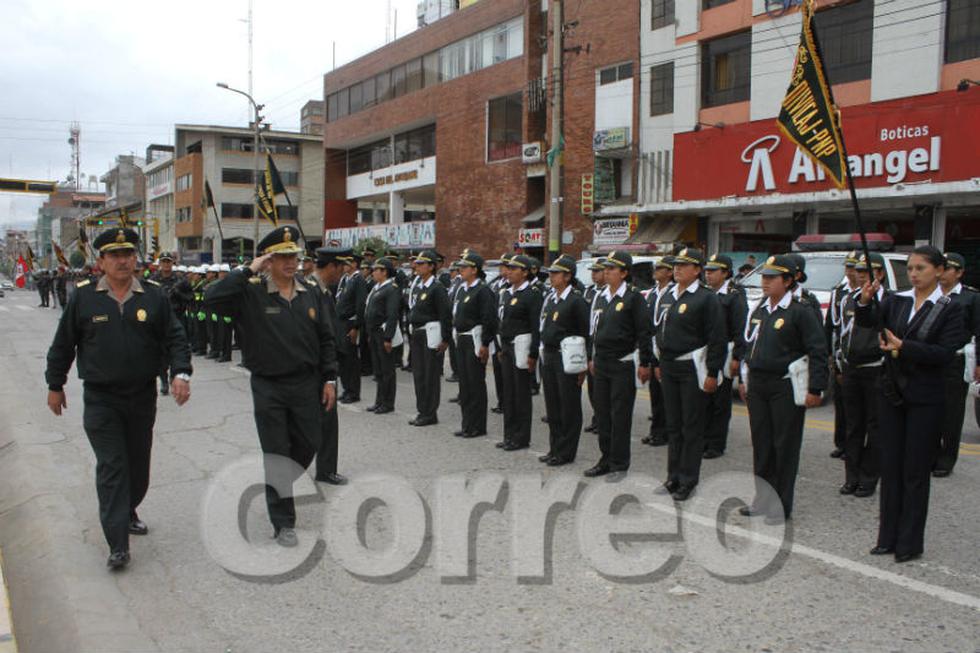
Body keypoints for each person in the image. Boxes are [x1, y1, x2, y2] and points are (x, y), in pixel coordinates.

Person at [45, 228, 192, 570]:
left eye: (128, 253)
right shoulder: (84, 298)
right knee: (113, 466)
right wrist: (55, 384)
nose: (123, 260)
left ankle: (127, 509)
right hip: (101, 399)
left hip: (141, 397)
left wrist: (181, 373)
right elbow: (63, 345)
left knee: (138, 469)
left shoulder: (154, 297)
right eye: (114, 254)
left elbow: (176, 338)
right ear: (101, 262)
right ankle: (118, 544)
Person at [203, 226, 337, 547]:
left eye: (293, 256)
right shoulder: (251, 293)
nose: (291, 263)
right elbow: (211, 299)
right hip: (269, 386)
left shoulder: (310, 292)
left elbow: (326, 338)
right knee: (277, 452)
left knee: (309, 443)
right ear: (268, 260)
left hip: (306, 384)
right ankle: (283, 522)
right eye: (282, 257)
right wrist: (247, 270)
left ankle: (279, 486)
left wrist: (330, 377)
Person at [856, 246, 964, 562]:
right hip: (891, 393)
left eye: (921, 268)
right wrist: (865, 300)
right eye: (911, 268)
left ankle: (909, 542)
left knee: (914, 471)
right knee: (890, 466)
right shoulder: (897, 300)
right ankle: (886, 536)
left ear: (940, 271)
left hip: (926, 397)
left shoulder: (949, 308)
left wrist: (905, 348)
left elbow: (944, 353)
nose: (914, 274)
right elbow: (870, 321)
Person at [738, 255, 828, 523]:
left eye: (771, 277)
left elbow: (818, 350)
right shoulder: (760, 309)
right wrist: (744, 379)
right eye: (763, 277)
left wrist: (816, 387)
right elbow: (747, 348)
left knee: (784, 447)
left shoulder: (800, 311)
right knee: (762, 445)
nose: (765, 282)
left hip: (785, 385)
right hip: (759, 384)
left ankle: (781, 504)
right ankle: (762, 499)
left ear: (788, 281)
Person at [652, 248, 726, 500]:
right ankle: (673, 476)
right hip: (670, 365)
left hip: (692, 367)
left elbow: (717, 337)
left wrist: (713, 372)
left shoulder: (706, 298)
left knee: (691, 426)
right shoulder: (670, 295)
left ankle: (688, 479)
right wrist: (660, 361)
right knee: (674, 425)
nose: (678, 269)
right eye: (676, 265)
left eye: (684, 265)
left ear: (697, 270)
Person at [586, 251, 653, 477]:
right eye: (605, 268)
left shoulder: (633, 298)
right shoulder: (601, 296)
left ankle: (619, 463)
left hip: (622, 364)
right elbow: (594, 331)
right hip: (602, 363)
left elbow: (644, 332)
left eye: (612, 269)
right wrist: (592, 356)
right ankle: (605, 458)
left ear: (624, 273)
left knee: (620, 415)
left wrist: (645, 362)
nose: (606, 272)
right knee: (602, 413)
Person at [839, 253, 887, 498]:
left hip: (875, 368)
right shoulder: (848, 299)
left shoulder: (887, 300)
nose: (860, 275)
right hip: (851, 367)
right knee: (853, 426)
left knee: (875, 427)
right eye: (858, 271)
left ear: (879, 275)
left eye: (867, 272)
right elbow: (840, 332)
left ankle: (869, 478)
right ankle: (852, 476)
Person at [539, 255, 591, 466]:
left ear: (568, 276)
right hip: (549, 356)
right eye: (550, 273)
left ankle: (566, 451)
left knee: (568, 405)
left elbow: (585, 333)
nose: (551, 276)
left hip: (567, 358)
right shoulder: (552, 298)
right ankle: (554, 447)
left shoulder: (576, 301)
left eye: (556, 273)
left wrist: (583, 366)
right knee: (553, 405)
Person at [934, 252, 980, 477]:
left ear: (959, 272)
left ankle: (946, 459)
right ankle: (931, 454)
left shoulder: (969, 298)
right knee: (931, 409)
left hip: (955, 359)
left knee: (952, 412)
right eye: (940, 268)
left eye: (948, 269)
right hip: (931, 359)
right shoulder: (931, 294)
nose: (942, 273)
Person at [310, 245, 350, 486]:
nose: (343, 272)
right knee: (325, 418)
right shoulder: (313, 291)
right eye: (341, 266)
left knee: (325, 418)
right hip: (317, 366)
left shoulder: (321, 290)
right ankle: (324, 470)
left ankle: (325, 468)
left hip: (322, 363)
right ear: (332, 266)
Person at [702, 254, 747, 459]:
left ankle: (716, 443)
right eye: (707, 270)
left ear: (726, 273)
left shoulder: (733, 295)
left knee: (720, 400)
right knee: (704, 397)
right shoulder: (706, 293)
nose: (708, 274)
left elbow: (740, 329)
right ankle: (704, 438)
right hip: (705, 351)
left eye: (713, 271)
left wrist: (738, 356)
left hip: (726, 351)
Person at [497, 254, 543, 451]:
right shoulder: (508, 293)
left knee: (521, 394)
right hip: (507, 347)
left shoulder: (532, 294)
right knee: (508, 393)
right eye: (509, 268)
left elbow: (536, 326)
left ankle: (521, 437)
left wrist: (533, 354)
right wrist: (500, 347)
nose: (509, 272)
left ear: (525, 272)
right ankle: (509, 434)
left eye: (515, 269)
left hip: (522, 348)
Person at [452, 250, 497, 438]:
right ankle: (467, 424)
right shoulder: (462, 289)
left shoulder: (483, 290)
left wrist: (485, 344)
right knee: (465, 384)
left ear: (475, 270)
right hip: (461, 338)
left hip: (474, 339)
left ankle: (477, 426)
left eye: (464, 267)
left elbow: (489, 319)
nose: (460, 270)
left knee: (475, 383)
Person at [407, 249, 452, 426]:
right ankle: (422, 410)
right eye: (417, 263)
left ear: (431, 267)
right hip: (417, 334)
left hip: (430, 334)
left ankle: (430, 413)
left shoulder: (437, 288)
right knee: (419, 374)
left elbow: (445, 314)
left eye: (421, 263)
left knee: (430, 375)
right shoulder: (419, 286)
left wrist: (446, 339)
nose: (417, 266)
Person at [826, 251, 861, 459]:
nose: (851, 273)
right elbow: (830, 324)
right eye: (848, 268)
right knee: (841, 401)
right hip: (841, 351)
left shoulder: (869, 293)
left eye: (855, 268)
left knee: (858, 406)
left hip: (861, 353)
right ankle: (842, 443)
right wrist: (830, 355)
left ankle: (855, 445)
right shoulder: (839, 292)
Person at [364, 257, 401, 414]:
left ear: (384, 272)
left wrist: (388, 337)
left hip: (383, 332)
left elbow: (392, 315)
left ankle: (388, 403)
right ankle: (379, 401)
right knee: (378, 370)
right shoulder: (377, 287)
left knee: (387, 370)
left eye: (376, 270)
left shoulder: (391, 288)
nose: (373, 272)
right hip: (374, 332)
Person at [336, 253, 367, 403]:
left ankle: (353, 392)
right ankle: (346, 388)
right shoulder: (345, 279)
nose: (344, 265)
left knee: (351, 360)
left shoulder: (358, 279)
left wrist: (356, 327)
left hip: (350, 323)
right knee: (342, 359)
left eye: (347, 263)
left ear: (355, 264)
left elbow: (360, 304)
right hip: (340, 323)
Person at [583, 259, 606, 434]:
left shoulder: (607, 293)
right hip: (589, 341)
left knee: (601, 386)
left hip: (603, 345)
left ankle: (603, 419)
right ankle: (596, 417)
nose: (594, 274)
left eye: (597, 271)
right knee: (592, 386)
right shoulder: (589, 292)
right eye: (593, 271)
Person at [489, 254, 512, 415]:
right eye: (501, 266)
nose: (502, 269)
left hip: (510, 337)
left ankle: (509, 403)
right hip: (497, 333)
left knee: (508, 373)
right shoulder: (497, 285)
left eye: (505, 266)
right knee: (498, 370)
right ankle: (501, 400)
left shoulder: (515, 287)